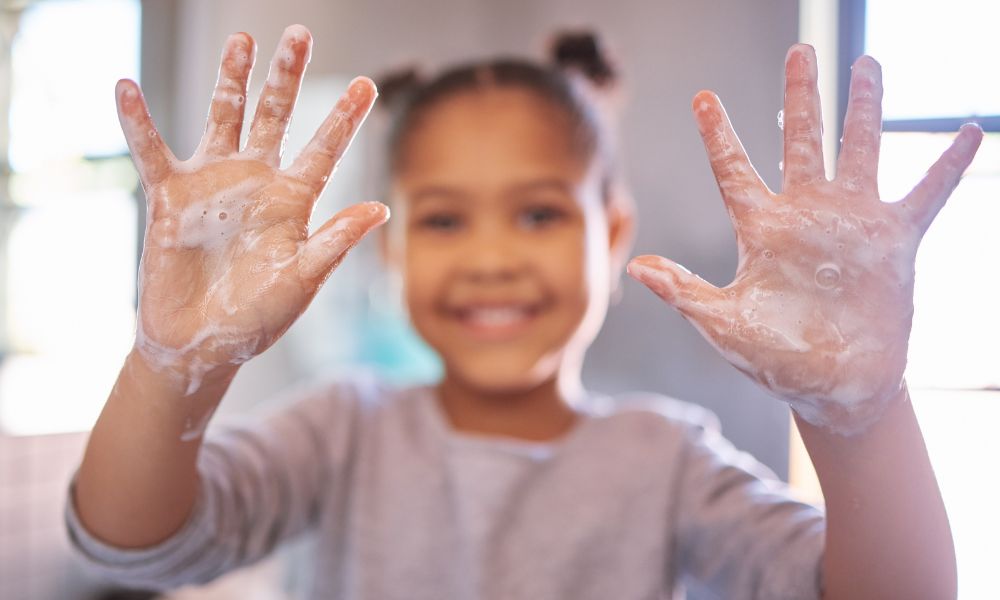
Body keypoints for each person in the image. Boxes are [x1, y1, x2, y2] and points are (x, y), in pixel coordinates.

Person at [66, 23, 981, 599]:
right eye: (444, 220)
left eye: (539, 215)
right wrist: (171, 366)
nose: (493, 258)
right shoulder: (340, 431)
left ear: (611, 232)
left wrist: (859, 419)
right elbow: (130, 546)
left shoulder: (669, 460)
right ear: (391, 247)